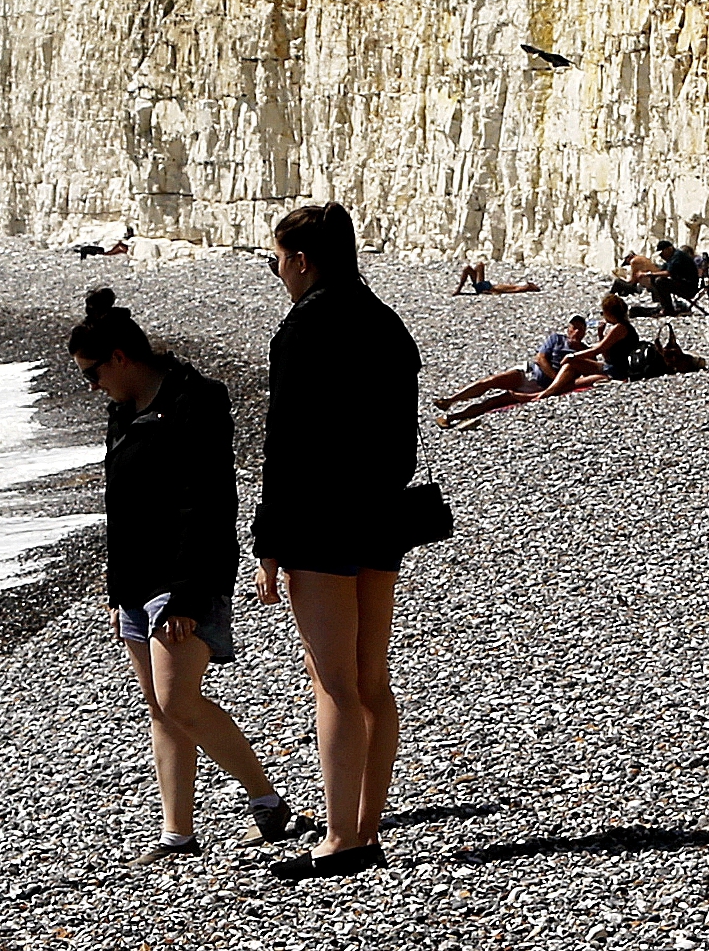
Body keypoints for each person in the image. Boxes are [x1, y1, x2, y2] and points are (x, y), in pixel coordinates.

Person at [68, 288, 297, 865]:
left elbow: (208, 503)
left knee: (179, 701)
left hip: (184, 577)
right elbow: (122, 502)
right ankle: (178, 833)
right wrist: (117, 582)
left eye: (93, 373)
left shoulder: (197, 402)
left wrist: (189, 595)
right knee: (159, 707)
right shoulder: (122, 411)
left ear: (120, 357)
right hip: (136, 581)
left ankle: (267, 800)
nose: (92, 387)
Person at [252, 203, 421, 880]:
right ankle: (366, 827)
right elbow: (401, 442)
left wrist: (268, 540)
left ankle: (341, 837)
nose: (277, 273)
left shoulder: (304, 327)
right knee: (369, 680)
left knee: (333, 683)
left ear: (301, 260)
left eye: (276, 261)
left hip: (319, 518)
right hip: (379, 513)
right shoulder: (384, 323)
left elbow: (283, 444)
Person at [432, 313, 602, 425]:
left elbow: (595, 367)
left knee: (494, 402)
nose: (577, 331)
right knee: (490, 381)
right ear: (569, 328)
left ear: (585, 331)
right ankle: (450, 400)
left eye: (580, 328)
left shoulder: (584, 351)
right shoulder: (556, 339)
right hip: (531, 372)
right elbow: (540, 358)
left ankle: (451, 418)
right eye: (574, 327)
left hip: (539, 386)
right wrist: (555, 378)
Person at [451, 261, 541, 295]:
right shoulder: (511, 287)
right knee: (478, 265)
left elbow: (514, 289)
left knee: (474, 267)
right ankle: (458, 289)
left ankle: (458, 289)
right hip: (484, 286)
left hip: (484, 287)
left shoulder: (512, 288)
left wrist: (491, 292)